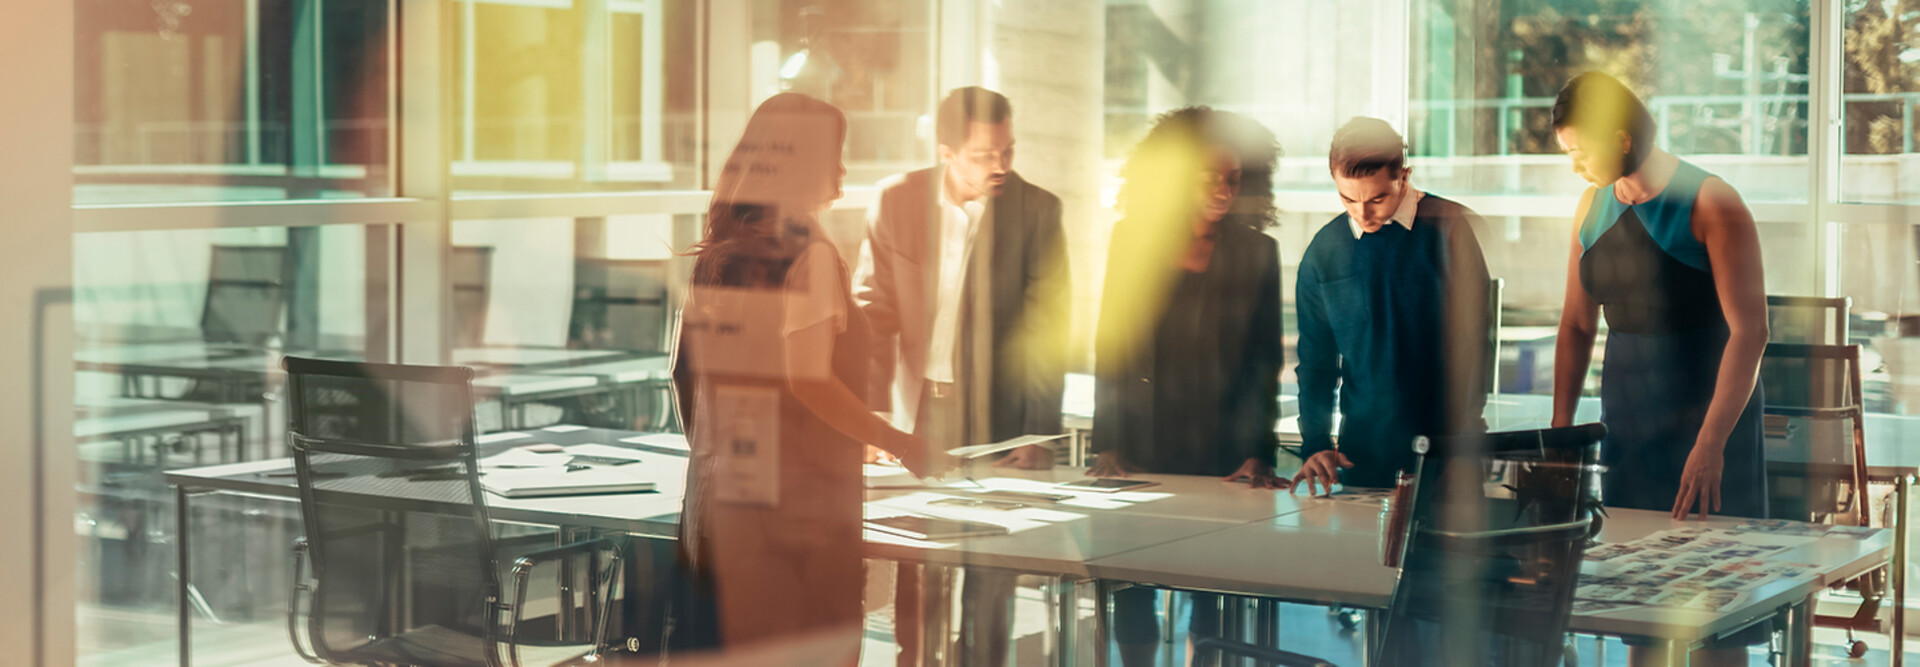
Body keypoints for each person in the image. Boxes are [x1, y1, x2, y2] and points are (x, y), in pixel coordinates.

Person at [670, 93, 944, 657]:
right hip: (801, 515)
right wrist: (899, 442)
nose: (843, 170)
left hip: (721, 500)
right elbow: (809, 380)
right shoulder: (809, 254)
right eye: (837, 154)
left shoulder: (719, 251)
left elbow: (686, 374)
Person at [1548, 71, 1768, 667]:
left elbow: (1751, 332)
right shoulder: (1591, 203)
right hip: (1630, 419)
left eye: (1579, 151)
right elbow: (1575, 325)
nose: (1574, 166)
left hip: (1708, 417)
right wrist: (1560, 435)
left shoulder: (1711, 200)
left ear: (1620, 137)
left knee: (1714, 612)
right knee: (1641, 611)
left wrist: (1711, 443)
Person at [855, 86, 1070, 666]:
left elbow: (1047, 330)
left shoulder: (1038, 210)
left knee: (990, 570)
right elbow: (870, 312)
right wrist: (872, 418)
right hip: (915, 410)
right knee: (918, 566)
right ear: (946, 151)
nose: (1000, 165)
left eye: (1008, 150)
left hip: (998, 418)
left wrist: (1037, 431)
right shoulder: (896, 199)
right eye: (983, 154)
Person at [1088, 107, 1287, 667]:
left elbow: (1263, 361)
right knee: (1132, 586)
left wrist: (1258, 451)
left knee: (1213, 589)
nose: (1223, 190)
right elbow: (1112, 347)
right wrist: (1107, 439)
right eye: (1207, 178)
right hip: (1143, 443)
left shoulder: (1258, 252)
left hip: (1221, 449)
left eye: (1231, 179)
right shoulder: (1131, 241)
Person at [1292, 117, 1493, 494]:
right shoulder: (1324, 252)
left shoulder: (1449, 231)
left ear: (1404, 175)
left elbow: (1475, 347)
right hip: (1361, 457)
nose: (1362, 214)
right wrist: (1315, 442)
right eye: (1348, 199)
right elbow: (1316, 360)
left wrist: (1461, 440)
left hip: (1447, 454)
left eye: (1377, 199)